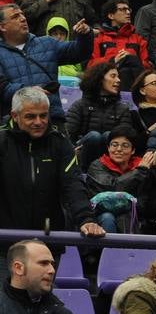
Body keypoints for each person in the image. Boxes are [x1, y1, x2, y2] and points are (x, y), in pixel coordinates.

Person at [0, 87, 103, 236]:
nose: (38, 122)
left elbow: (73, 184)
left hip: (48, 240)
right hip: (4, 241)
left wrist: (86, 219)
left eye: (43, 115)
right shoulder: (2, 142)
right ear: (15, 116)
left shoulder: (60, 143)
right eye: (30, 116)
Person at [0, 4, 93, 124]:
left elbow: (79, 53)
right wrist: (28, 92)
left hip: (52, 118)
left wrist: (85, 35)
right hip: (15, 123)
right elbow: (3, 89)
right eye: (15, 16)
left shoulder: (47, 43)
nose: (23, 18)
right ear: (2, 27)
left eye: (22, 14)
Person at [68, 60, 137, 166]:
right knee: (94, 136)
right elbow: (69, 134)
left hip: (113, 156)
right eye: (113, 76)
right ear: (99, 79)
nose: (118, 80)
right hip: (83, 156)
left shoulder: (122, 108)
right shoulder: (80, 105)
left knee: (108, 136)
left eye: (118, 77)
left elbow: (126, 137)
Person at [87, 125, 146, 233]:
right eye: (114, 145)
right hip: (99, 215)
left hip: (133, 216)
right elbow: (114, 187)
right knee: (107, 218)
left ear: (133, 150)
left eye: (125, 145)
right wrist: (139, 172)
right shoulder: (97, 166)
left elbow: (143, 200)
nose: (119, 149)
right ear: (108, 148)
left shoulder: (141, 167)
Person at [93, 0, 152, 85]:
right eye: (123, 9)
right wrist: (113, 60)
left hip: (134, 83)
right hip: (105, 83)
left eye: (128, 9)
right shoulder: (99, 38)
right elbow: (92, 65)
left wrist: (132, 59)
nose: (128, 12)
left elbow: (146, 66)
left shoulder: (138, 39)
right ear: (111, 15)